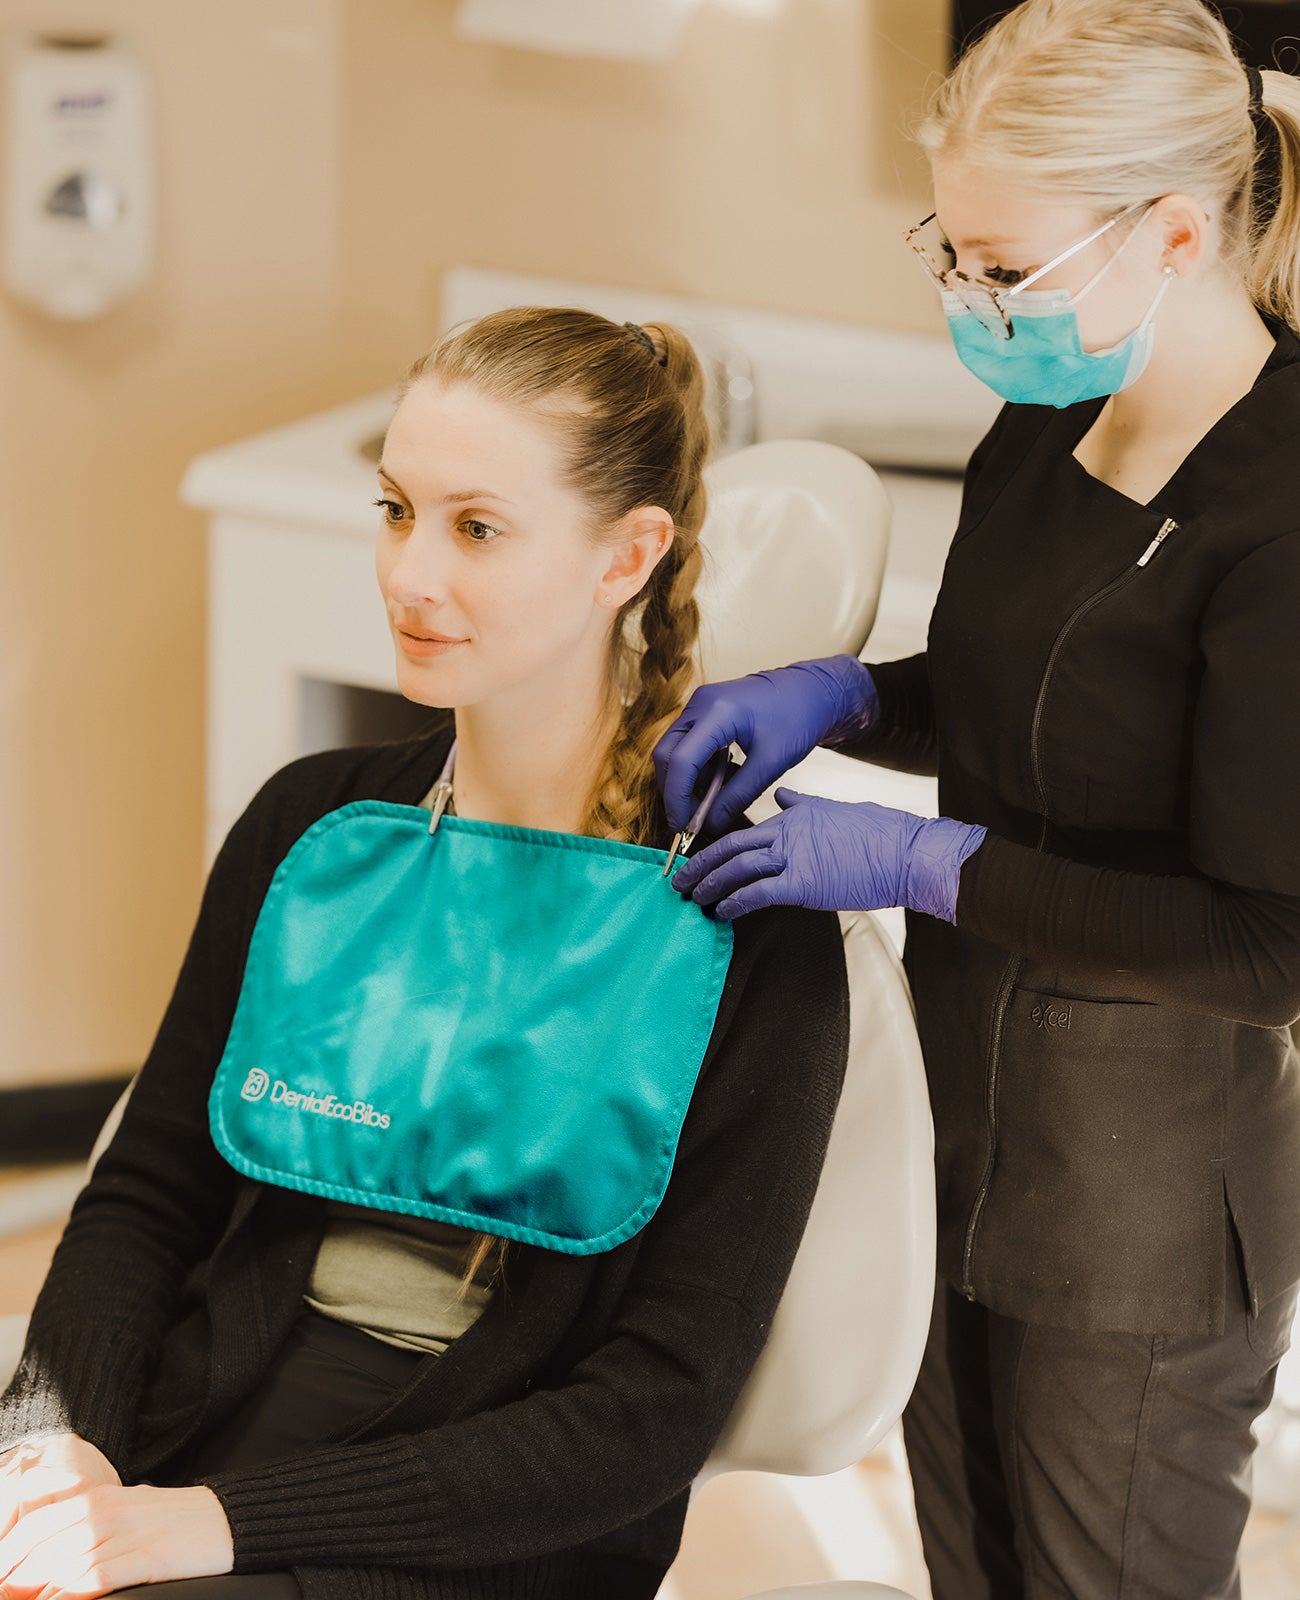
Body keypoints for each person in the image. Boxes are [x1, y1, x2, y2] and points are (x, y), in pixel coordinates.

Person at [0, 307, 851, 1600]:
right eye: (397, 512)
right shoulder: (318, 826)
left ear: (628, 555)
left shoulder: (747, 916)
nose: (409, 575)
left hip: (497, 1530)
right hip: (210, 1423)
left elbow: (654, 1407)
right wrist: (54, 1451)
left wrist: (219, 1527)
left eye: (477, 529)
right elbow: (147, 1192)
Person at [656, 2, 1300, 1595]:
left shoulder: (1280, 515)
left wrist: (922, 859)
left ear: (1170, 231)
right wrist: (862, 693)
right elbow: (1038, 687)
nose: (975, 301)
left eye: (1008, 269)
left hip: (1140, 1203)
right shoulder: (1053, 414)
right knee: (972, 1565)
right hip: (959, 1127)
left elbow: (1271, 945)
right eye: (953, 253)